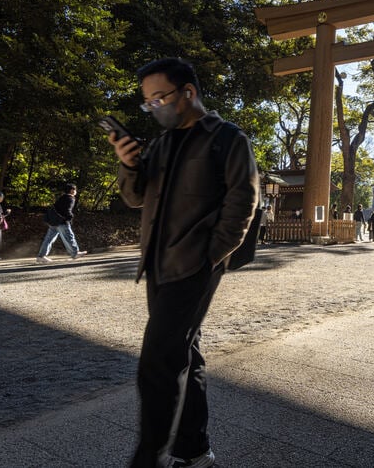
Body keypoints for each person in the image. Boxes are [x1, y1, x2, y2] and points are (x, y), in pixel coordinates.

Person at [109, 57, 258, 468]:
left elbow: (243, 202)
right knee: (184, 351)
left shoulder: (228, 139)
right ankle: (194, 450)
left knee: (157, 364)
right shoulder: (161, 144)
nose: (153, 106)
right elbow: (136, 198)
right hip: (157, 264)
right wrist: (128, 163)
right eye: (147, 102)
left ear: (188, 93)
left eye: (160, 97)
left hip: (194, 264)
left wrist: (211, 257)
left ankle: (148, 460)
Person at [36, 183, 88, 263]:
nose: (76, 191)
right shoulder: (70, 198)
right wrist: (70, 218)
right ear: (72, 190)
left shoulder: (62, 197)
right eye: (75, 189)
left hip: (53, 222)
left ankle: (41, 256)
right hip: (62, 222)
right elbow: (67, 210)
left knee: (48, 239)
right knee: (69, 237)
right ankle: (75, 253)